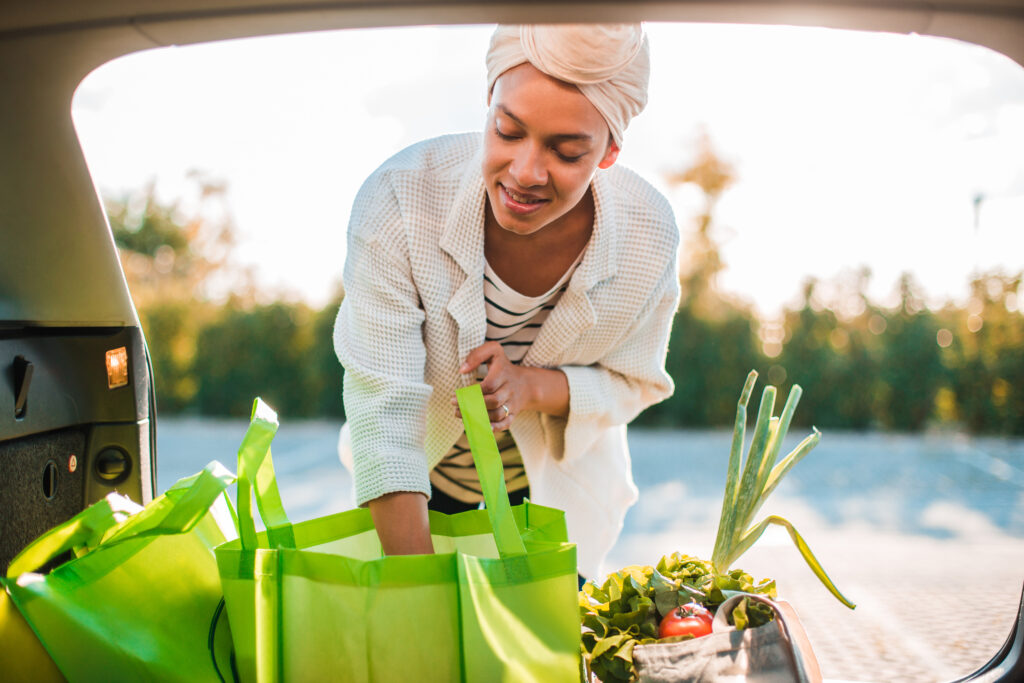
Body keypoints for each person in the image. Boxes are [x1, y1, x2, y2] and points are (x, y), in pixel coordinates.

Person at [334, 23, 679, 581]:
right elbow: (384, 414)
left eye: (567, 152)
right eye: (508, 130)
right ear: (487, 102)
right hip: (412, 503)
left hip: (555, 511)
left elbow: (636, 382)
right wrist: (417, 595)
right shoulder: (399, 198)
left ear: (609, 152)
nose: (525, 173)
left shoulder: (647, 236)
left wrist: (529, 387)